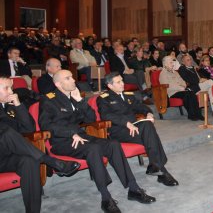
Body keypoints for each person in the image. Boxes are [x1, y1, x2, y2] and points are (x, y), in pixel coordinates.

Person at [39, 70, 156, 213]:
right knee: (93, 148)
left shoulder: (74, 97)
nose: (73, 80)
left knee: (113, 144)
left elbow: (91, 119)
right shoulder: (49, 99)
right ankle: (106, 198)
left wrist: (80, 101)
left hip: (82, 137)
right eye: (68, 78)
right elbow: (46, 125)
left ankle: (133, 189)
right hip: (62, 141)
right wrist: (70, 133)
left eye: (72, 77)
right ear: (58, 84)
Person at [0, 76, 80, 213]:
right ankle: (51, 161)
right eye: (6, 88)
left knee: (29, 161)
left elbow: (29, 129)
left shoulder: (10, 107)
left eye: (11, 87)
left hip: (10, 156)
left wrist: (19, 105)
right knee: (6, 131)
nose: (11, 91)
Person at [97, 72, 178, 186]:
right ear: (110, 86)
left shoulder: (128, 95)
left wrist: (149, 113)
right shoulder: (104, 98)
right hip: (119, 131)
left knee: (147, 126)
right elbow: (106, 115)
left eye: (122, 80)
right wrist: (126, 123)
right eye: (118, 82)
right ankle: (159, 170)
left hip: (135, 128)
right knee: (150, 133)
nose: (122, 84)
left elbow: (141, 107)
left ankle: (158, 168)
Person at [159, 56, 204, 121]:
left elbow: (182, 81)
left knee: (191, 92)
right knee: (187, 94)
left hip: (181, 90)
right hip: (172, 92)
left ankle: (198, 114)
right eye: (171, 62)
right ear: (165, 64)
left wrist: (183, 86)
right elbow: (167, 86)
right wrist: (179, 88)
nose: (173, 64)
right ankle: (192, 115)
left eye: (173, 62)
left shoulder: (175, 72)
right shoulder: (163, 73)